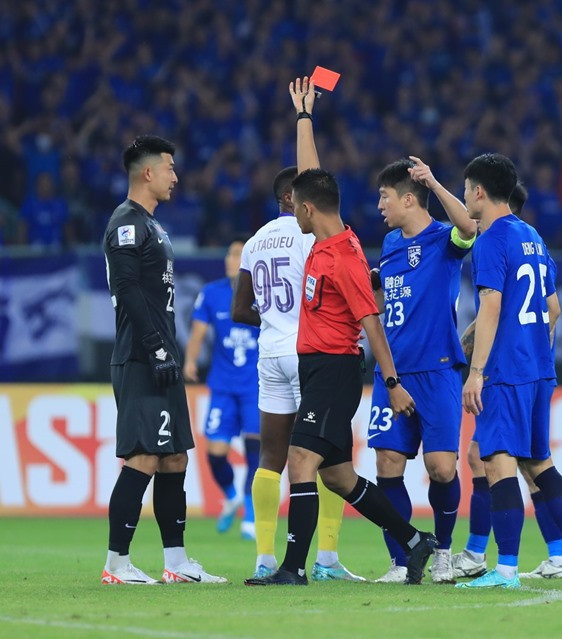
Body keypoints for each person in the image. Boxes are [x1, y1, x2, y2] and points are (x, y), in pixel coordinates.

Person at [245, 77, 436, 586]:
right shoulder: (325, 236)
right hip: (317, 368)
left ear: (307, 210)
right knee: (338, 475)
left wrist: (392, 384)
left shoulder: (345, 258)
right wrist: (304, 117)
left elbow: (371, 320)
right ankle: (417, 543)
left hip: (334, 369)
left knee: (301, 459)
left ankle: (292, 569)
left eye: (298, 208)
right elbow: (311, 176)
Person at [457, 153, 562, 589]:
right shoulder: (532, 235)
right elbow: (553, 307)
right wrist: (533, 347)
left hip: (507, 372)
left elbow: (493, 303)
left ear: (479, 192)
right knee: (540, 465)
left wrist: (477, 370)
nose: (465, 199)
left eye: (465, 190)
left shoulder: (490, 240)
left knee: (498, 465)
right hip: (539, 371)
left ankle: (505, 572)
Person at [101, 135, 225, 585]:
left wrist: (164, 349)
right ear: (147, 172)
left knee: (174, 459)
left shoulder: (156, 227)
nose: (176, 176)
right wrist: (154, 345)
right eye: (170, 168)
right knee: (142, 458)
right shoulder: (127, 223)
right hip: (140, 356)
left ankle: (176, 563)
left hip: (162, 356)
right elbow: (129, 290)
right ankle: (117, 563)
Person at [232, 165, 362, 582]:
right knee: (328, 457)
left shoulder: (253, 243)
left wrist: (271, 318)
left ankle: (264, 558)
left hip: (269, 354)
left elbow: (239, 310)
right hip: (311, 352)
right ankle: (325, 557)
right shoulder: (312, 236)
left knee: (271, 458)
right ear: (296, 197)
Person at [365, 156, 477, 584]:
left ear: (409, 198)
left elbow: (470, 228)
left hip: (438, 370)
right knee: (388, 463)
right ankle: (401, 561)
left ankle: (445, 553)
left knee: (441, 468)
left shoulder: (444, 240)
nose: (380, 205)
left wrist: (434, 179)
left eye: (385, 197)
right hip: (392, 372)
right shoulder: (390, 244)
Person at [184, 237, 260, 541]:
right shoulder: (211, 294)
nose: (232, 258)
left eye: (239, 254)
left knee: (256, 450)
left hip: (255, 386)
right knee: (215, 453)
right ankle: (231, 496)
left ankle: (251, 517)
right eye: (230, 253)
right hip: (223, 387)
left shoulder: (264, 293)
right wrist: (190, 360)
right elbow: (198, 332)